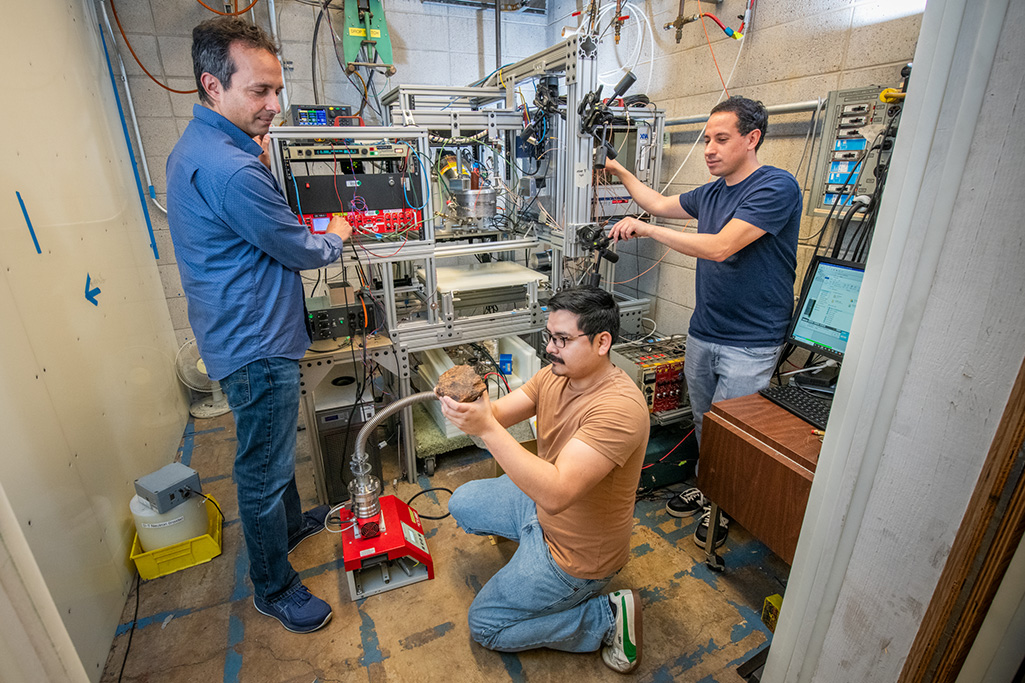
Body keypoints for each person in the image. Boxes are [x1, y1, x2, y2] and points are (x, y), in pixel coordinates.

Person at [166, 17, 352, 634]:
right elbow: (296, 246)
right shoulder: (232, 169)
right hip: (257, 341)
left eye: (277, 90)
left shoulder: (204, 147)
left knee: (271, 447)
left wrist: (257, 152)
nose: (274, 104)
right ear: (212, 86)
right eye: (259, 92)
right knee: (262, 469)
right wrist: (339, 237)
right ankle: (273, 587)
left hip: (235, 329)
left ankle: (291, 526)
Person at [604, 96, 801, 549]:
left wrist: (647, 229)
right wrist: (619, 171)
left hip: (751, 341)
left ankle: (724, 506)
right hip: (705, 330)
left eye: (721, 139)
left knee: (733, 435)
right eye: (706, 139)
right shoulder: (711, 192)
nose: (709, 149)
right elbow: (656, 201)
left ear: (752, 139)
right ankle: (708, 485)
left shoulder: (775, 187)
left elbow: (719, 247)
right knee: (705, 421)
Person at [439, 286, 650, 674]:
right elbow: (499, 415)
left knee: (486, 626)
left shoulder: (618, 408)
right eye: (549, 337)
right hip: (537, 509)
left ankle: (605, 616)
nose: (551, 348)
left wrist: (485, 427)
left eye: (563, 340)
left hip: (576, 552)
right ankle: (528, 555)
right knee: (463, 502)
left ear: (602, 342)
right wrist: (471, 409)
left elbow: (556, 493)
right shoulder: (555, 376)